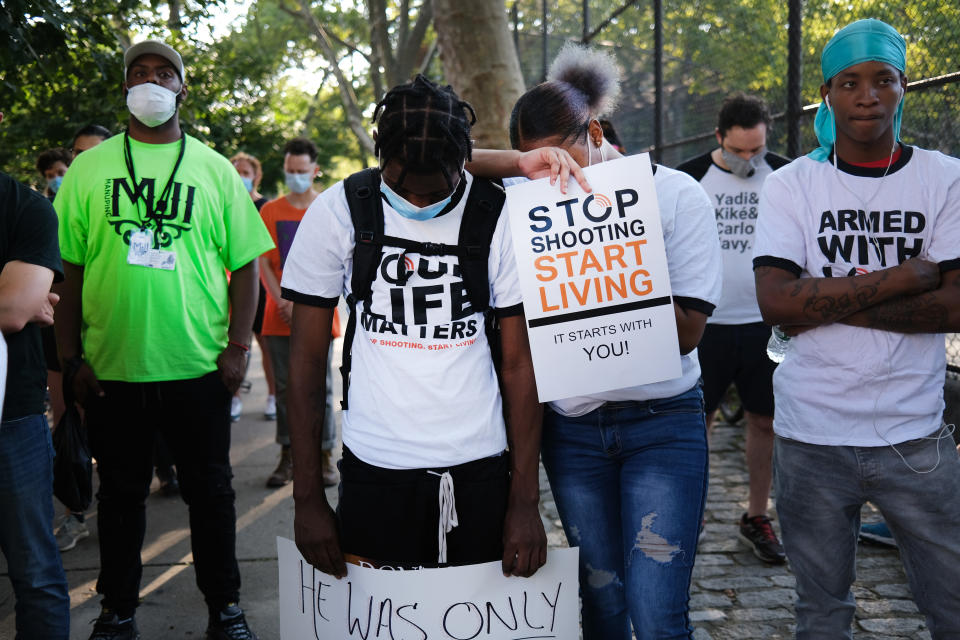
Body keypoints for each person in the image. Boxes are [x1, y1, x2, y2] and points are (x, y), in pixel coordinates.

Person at [473, 44, 721, 638]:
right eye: (534, 162)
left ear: (594, 129)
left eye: (558, 153)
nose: (551, 170)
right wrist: (518, 169)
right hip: (575, 432)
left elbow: (687, 331)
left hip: (663, 425)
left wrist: (602, 271)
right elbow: (443, 166)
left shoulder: (675, 195)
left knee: (658, 614)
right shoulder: (523, 203)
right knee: (602, 605)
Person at [282, 74, 546, 578]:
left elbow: (519, 364)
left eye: (438, 191)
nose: (421, 205)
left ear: (463, 160)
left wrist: (524, 502)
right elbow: (307, 363)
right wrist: (308, 500)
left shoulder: (499, 214)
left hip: (480, 468)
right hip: (373, 469)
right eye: (407, 188)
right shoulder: (339, 211)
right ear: (382, 156)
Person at [54, 39, 273, 640]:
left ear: (182, 88)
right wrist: (70, 358)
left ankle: (224, 609)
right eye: (139, 73)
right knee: (120, 498)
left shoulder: (213, 168)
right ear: (124, 88)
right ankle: (117, 610)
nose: (151, 81)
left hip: (197, 367)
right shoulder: (90, 171)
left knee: (211, 495)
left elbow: (247, 266)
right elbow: (69, 273)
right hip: (111, 369)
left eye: (163, 73)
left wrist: (237, 348)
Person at [753, 18, 960, 638]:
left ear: (904, 91)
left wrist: (822, 299)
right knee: (821, 612)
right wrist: (903, 278)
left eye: (883, 80)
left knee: (952, 605)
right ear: (828, 94)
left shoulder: (945, 178)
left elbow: (954, 308)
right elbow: (775, 304)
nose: (867, 95)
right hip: (811, 435)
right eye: (849, 82)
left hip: (915, 434)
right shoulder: (793, 183)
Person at [675, 93, 790, 564]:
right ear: (719, 137)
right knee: (696, 422)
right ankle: (692, 514)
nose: (749, 159)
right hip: (705, 324)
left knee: (765, 420)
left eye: (756, 150)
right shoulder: (687, 178)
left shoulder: (785, 174)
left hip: (764, 322)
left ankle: (756, 514)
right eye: (739, 150)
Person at [0, 110, 71, 639]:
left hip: (12, 418)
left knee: (36, 572)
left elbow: (15, 310)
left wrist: (19, 300)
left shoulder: (27, 209)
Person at [258, 137, 340, 488]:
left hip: (319, 315)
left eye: (301, 171)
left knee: (319, 388)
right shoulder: (270, 211)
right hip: (279, 316)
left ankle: (324, 455)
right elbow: (262, 262)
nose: (294, 176)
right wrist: (281, 300)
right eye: (289, 171)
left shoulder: (329, 207)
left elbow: (339, 263)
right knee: (285, 388)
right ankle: (287, 455)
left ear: (314, 170)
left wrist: (307, 304)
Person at [229, 152, 271, 422]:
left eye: (246, 172)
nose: (241, 176)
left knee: (266, 344)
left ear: (256, 175)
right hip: (231, 287)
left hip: (262, 286)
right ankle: (234, 398)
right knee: (233, 343)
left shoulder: (265, 207)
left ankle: (273, 397)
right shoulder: (226, 204)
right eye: (236, 171)